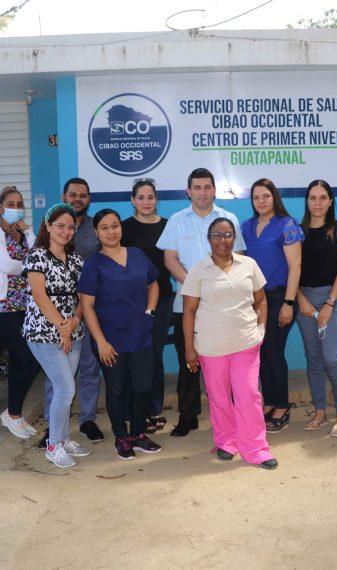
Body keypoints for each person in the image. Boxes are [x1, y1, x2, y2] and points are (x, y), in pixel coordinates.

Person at [156, 167, 246, 437]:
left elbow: (238, 258)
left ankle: (231, 414)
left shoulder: (228, 218)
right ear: (188, 191)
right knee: (189, 361)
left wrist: (216, 287)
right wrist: (194, 286)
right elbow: (169, 258)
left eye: (207, 187)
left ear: (214, 190)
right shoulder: (177, 220)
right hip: (187, 304)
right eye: (197, 187)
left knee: (226, 361)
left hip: (223, 305)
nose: (203, 192)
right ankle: (188, 415)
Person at [181, 218, 277, 469]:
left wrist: (261, 329)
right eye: (216, 234)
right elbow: (189, 311)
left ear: (235, 238)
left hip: (245, 341)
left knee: (248, 395)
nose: (222, 240)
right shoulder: (198, 270)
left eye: (227, 235)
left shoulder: (249, 265)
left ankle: (255, 447)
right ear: (208, 238)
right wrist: (189, 348)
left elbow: (262, 300)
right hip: (211, 347)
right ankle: (227, 441)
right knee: (219, 397)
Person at [79, 208, 163, 460]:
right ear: (96, 233)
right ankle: (121, 436)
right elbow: (87, 306)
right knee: (116, 390)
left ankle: (137, 434)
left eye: (115, 225)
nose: (111, 231)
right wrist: (101, 342)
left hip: (141, 336)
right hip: (110, 341)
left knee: (142, 388)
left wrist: (149, 312)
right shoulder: (93, 264)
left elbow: (153, 284)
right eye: (104, 227)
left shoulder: (137, 255)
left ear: (121, 228)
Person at [23, 203, 91, 468]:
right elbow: (39, 296)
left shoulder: (76, 259)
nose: (66, 231)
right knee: (65, 389)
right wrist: (63, 326)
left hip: (74, 331)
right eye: (60, 225)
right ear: (48, 225)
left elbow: (82, 297)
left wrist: (73, 321)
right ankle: (52, 445)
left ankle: (63, 439)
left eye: (70, 227)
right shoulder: (37, 256)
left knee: (66, 390)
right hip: (43, 333)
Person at [39, 177, 105, 447]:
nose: (78, 199)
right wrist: (60, 321)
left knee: (89, 367)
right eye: (74, 194)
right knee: (56, 373)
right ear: (64, 196)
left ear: (89, 199)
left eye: (84, 195)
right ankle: (53, 425)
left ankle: (87, 419)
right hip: (55, 315)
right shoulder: (52, 227)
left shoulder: (95, 227)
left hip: (88, 308)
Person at [240, 178, 303, 432]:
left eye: (266, 196)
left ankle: (282, 405)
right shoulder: (247, 227)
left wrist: (289, 302)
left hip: (279, 298)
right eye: (256, 197)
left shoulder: (287, 226)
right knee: (261, 352)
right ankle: (269, 402)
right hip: (254, 300)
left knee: (274, 352)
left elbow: (295, 267)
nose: (261, 201)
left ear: (274, 197)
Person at [0, 186, 42, 439]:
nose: (16, 208)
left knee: (26, 359)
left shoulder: (22, 233)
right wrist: (30, 266)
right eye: (11, 203)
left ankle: (14, 413)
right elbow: (6, 265)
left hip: (26, 305)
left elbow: (40, 254)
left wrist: (28, 230)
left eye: (19, 204)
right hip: (2, 306)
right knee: (27, 356)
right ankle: (12, 414)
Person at [296, 180, 337, 437]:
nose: (317, 203)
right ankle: (320, 410)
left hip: (334, 299)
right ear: (307, 202)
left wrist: (330, 302)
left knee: (332, 358)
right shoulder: (297, 231)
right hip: (305, 300)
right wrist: (300, 299)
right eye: (312, 198)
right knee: (314, 359)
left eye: (322, 197)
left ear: (330, 201)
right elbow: (291, 270)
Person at [121, 179, 173, 433]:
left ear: (156, 199)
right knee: (132, 356)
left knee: (154, 356)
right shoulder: (123, 229)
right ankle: (134, 412)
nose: (145, 202)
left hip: (162, 300)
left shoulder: (167, 226)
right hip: (130, 303)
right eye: (140, 197)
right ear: (133, 200)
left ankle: (154, 410)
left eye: (150, 197)